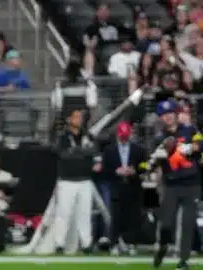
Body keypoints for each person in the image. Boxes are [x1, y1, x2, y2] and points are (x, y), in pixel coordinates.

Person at [150, 112, 201, 270]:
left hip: (191, 184)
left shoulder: (189, 130)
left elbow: (200, 144)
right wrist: (156, 160)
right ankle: (163, 247)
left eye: (170, 113)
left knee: (187, 224)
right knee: (166, 223)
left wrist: (192, 147)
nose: (168, 117)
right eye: (164, 115)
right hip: (171, 185)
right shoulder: (159, 138)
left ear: (175, 114)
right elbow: (152, 162)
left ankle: (183, 260)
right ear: (161, 118)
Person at [51, 109, 102, 254]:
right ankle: (59, 243)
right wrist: (82, 153)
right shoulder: (63, 137)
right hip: (67, 180)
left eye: (81, 117)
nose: (79, 120)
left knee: (85, 213)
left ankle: (86, 243)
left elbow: (94, 152)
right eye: (76, 117)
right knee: (64, 213)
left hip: (85, 179)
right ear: (69, 119)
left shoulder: (87, 136)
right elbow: (62, 154)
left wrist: (78, 153)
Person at [101, 122, 146, 255]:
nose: (124, 139)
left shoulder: (138, 150)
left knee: (133, 216)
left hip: (133, 186)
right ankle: (114, 243)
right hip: (117, 186)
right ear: (117, 135)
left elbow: (144, 167)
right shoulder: (109, 150)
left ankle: (131, 243)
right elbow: (105, 170)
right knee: (116, 216)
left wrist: (135, 171)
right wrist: (117, 171)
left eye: (126, 136)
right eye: (122, 136)